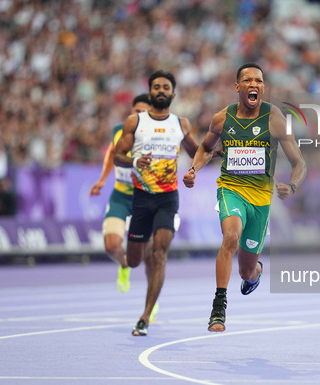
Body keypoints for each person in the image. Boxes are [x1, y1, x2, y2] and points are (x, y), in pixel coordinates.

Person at [182, 63, 307, 332]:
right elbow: (205, 148)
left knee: (245, 271)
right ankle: (219, 307)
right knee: (230, 237)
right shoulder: (221, 119)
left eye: (259, 81)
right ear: (238, 87)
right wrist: (193, 169)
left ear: (263, 87)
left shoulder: (274, 119)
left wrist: (293, 186)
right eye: (248, 80)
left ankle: (256, 272)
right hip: (231, 189)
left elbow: (300, 163)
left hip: (261, 200)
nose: (254, 84)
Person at [114, 70, 199, 336]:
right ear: (150, 92)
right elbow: (118, 155)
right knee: (135, 260)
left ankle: (144, 317)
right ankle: (144, 243)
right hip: (141, 198)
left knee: (160, 256)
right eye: (156, 87)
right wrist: (133, 162)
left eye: (166, 87)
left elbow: (197, 153)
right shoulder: (135, 122)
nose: (161, 91)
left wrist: (195, 168)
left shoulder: (181, 124)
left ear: (173, 95)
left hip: (167, 198)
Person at [89, 94, 151, 294]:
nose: (140, 114)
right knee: (111, 245)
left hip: (145, 199)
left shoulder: (157, 135)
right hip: (121, 196)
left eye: (144, 111)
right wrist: (102, 180)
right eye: (136, 110)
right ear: (131, 111)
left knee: (148, 254)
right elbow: (111, 155)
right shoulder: (118, 130)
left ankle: (152, 299)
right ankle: (124, 266)